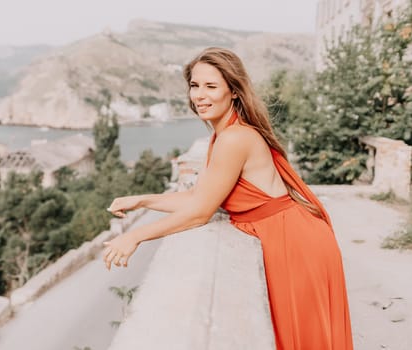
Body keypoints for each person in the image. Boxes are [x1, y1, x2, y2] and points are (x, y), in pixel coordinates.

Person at [102, 47, 353, 349]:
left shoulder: (235, 138)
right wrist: (141, 200)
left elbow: (200, 212)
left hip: (293, 242)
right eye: (195, 86)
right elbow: (199, 196)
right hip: (287, 235)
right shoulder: (224, 136)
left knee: (304, 338)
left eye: (211, 86)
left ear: (233, 91)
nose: (200, 96)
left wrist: (136, 236)